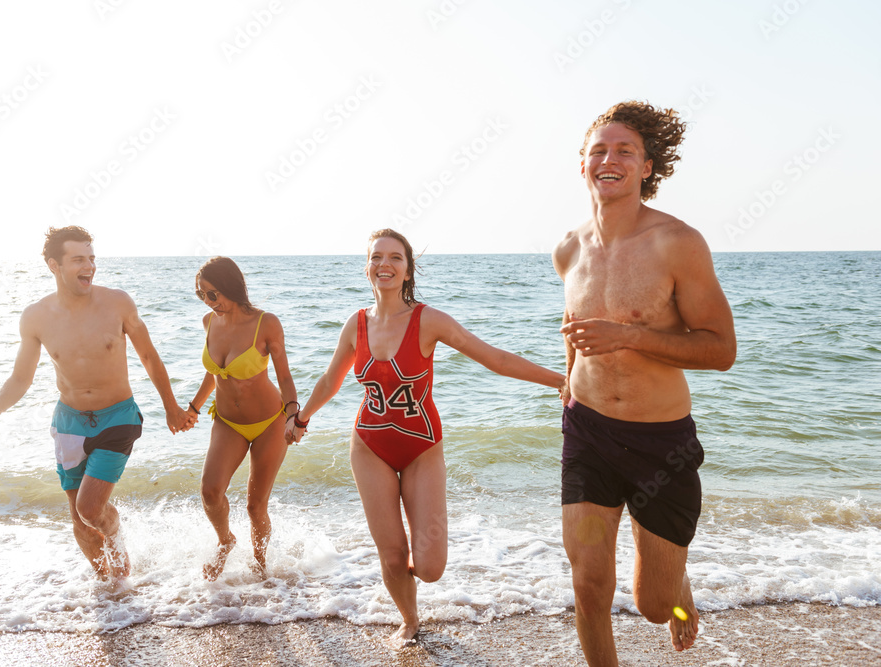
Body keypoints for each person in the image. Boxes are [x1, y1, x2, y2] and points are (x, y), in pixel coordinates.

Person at [287, 229, 564, 648]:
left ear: (408, 269)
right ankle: (410, 618)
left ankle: (414, 575)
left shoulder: (427, 320)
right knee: (392, 554)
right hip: (369, 447)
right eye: (377, 257)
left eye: (395, 258)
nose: (385, 264)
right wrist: (302, 418)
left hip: (422, 449)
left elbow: (494, 358)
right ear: (367, 267)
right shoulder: (355, 324)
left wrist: (560, 381)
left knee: (431, 566)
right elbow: (331, 379)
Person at [552, 101, 736, 665]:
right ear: (583, 164)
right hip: (587, 432)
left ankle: (676, 585)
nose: (610, 160)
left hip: (661, 441)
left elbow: (720, 350)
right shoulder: (568, 249)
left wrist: (628, 338)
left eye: (624, 150)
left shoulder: (677, 243)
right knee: (587, 584)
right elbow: (575, 327)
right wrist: (569, 378)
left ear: (647, 166)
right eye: (599, 150)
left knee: (654, 606)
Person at [0, 226, 194, 582]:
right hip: (69, 422)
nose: (90, 266)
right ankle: (112, 591)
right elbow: (21, 378)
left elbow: (148, 356)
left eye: (92, 258)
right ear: (55, 265)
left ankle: (118, 544)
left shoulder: (117, 303)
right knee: (79, 521)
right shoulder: (36, 317)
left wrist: (171, 407)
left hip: (118, 417)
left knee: (89, 508)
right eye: (79, 259)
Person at [187, 257, 298, 581]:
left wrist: (294, 416)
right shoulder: (209, 322)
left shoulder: (266, 324)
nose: (208, 302)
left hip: (270, 422)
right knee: (210, 491)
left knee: (254, 506)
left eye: (212, 294)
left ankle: (262, 569)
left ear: (231, 288)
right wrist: (193, 409)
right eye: (202, 295)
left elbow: (286, 377)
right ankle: (225, 541)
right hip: (227, 422)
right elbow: (215, 373)